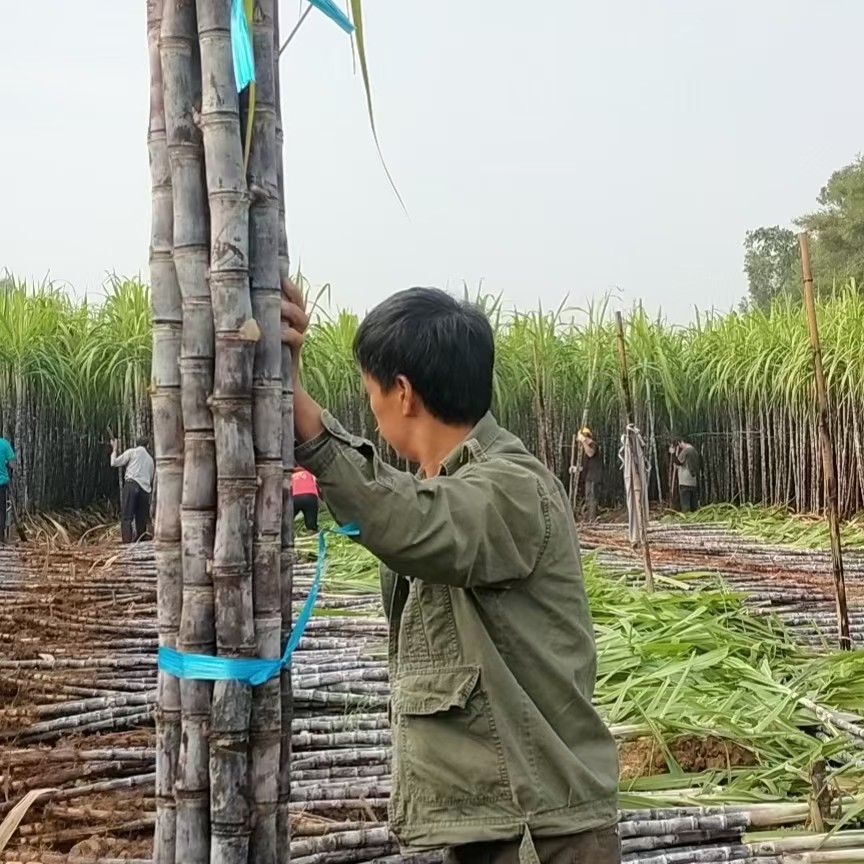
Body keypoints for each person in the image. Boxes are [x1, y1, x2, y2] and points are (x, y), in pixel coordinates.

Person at [281, 279, 620, 864]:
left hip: (542, 832)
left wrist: (306, 419)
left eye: (371, 393)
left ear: (403, 393)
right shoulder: (451, 485)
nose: (372, 407)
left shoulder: (512, 488)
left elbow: (407, 522)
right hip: (499, 820)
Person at [110, 436, 155, 543]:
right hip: (145, 491)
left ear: (136, 444)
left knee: (127, 518)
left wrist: (114, 449)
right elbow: (151, 478)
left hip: (131, 485)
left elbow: (114, 463)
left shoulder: (132, 452)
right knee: (141, 520)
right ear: (147, 446)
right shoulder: (150, 460)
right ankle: (140, 545)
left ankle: (126, 544)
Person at [577, 425, 602, 522]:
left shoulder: (592, 445)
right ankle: (590, 519)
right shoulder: (586, 448)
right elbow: (585, 466)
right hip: (588, 477)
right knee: (588, 498)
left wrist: (583, 441)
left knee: (591, 498)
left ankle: (592, 519)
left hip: (593, 477)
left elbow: (590, 453)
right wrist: (576, 469)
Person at [670, 436, 701, 513]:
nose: (680, 446)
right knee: (694, 507)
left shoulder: (686, 451)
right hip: (693, 482)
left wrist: (672, 453)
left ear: (682, 442)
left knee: (686, 507)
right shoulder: (695, 451)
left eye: (679, 444)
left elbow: (678, 462)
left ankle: (686, 521)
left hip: (685, 481)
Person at [291, 467, 320, 532]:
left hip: (295, 497)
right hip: (310, 496)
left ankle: (287, 532)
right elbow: (317, 484)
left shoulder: (292, 475)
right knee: (311, 522)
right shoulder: (310, 473)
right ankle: (312, 531)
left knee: (289, 519)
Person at [0, 436, 17, 545]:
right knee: (1, 510)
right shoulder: (5, 444)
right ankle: (0, 536)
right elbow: (12, 464)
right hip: (1, 483)